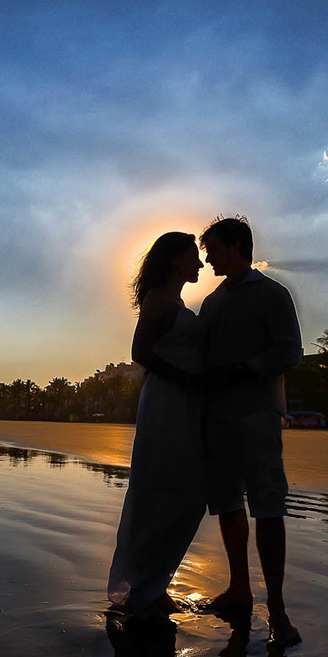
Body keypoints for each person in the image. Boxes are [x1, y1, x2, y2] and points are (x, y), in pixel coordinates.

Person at [198, 215, 303, 647]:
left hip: (257, 414)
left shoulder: (272, 294)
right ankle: (240, 586)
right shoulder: (211, 302)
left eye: (214, 248)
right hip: (217, 416)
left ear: (237, 245)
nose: (207, 258)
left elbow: (290, 351)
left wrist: (246, 369)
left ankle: (277, 608)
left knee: (267, 503)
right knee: (226, 501)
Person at [107, 231, 208, 622]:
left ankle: (154, 584)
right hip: (165, 401)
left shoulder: (177, 301)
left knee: (187, 494)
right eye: (193, 257)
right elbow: (139, 352)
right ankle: (142, 588)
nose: (200, 264)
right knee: (155, 492)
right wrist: (185, 378)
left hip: (184, 404)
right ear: (174, 261)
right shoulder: (158, 299)